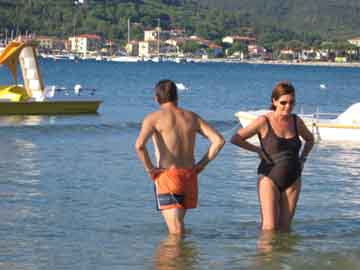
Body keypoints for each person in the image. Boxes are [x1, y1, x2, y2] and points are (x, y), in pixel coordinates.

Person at [135, 79, 225, 235]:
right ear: (177, 97)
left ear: (156, 98)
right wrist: (201, 165)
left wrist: (150, 170)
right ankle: (184, 259)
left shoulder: (153, 118)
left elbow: (139, 146)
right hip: (189, 176)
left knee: (175, 229)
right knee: (179, 226)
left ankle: (176, 259)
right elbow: (218, 141)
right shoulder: (192, 117)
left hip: (169, 176)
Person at [231, 81, 314, 232]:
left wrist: (303, 159)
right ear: (274, 101)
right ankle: (266, 256)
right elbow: (236, 139)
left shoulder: (296, 121)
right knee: (269, 228)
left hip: (294, 179)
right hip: (269, 178)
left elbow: (310, 139)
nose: (288, 106)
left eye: (291, 102)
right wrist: (257, 150)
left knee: (285, 228)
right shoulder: (263, 121)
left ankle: (283, 256)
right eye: (283, 102)